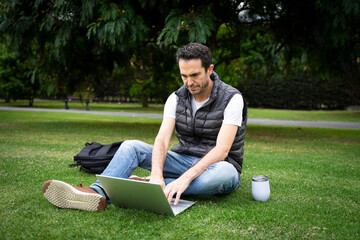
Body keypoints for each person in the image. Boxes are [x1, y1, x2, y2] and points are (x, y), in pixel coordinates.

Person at [42, 43, 247, 211]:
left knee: (221, 176)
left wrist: (183, 180)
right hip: (182, 159)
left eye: (194, 75)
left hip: (219, 166)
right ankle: (96, 192)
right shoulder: (176, 98)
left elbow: (222, 150)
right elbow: (162, 139)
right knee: (131, 146)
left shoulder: (232, 98)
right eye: (183, 76)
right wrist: (157, 175)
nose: (189, 82)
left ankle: (141, 185)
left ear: (209, 70)